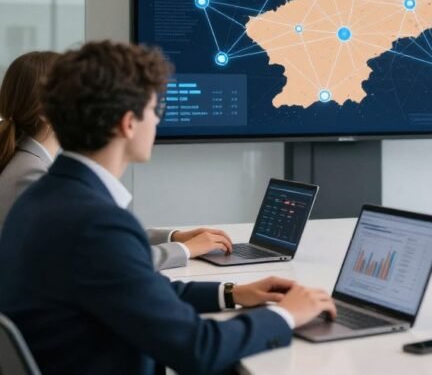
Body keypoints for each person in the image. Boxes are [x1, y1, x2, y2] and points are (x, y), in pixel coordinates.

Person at [0, 41, 337, 374]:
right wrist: (286, 315)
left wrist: (234, 292)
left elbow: (137, 290)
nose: (157, 123)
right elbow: (198, 349)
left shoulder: (45, 196)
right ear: (128, 123)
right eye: (153, 111)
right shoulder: (94, 223)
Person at [0, 50, 230, 270]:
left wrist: (173, 237)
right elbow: (103, 258)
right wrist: (184, 249)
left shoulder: (32, 164)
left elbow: (98, 234)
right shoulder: (32, 177)